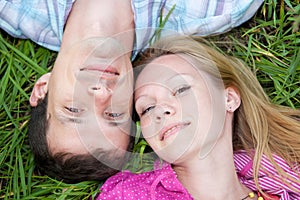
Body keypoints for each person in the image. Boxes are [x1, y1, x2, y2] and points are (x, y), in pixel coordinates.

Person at [0, 0, 264, 183]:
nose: (101, 93)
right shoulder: (217, 9)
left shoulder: (11, 7)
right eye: (114, 114)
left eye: (74, 110)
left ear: (43, 87)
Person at [98, 36, 300, 199]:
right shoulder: (129, 195)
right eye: (148, 108)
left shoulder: (285, 189)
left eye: (181, 88)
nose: (161, 110)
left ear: (229, 99)